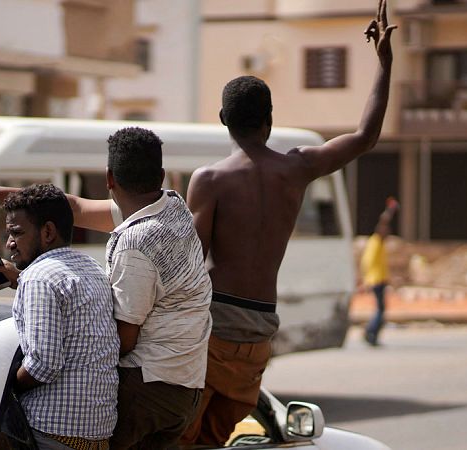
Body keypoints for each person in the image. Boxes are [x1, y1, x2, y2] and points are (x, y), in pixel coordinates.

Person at [180, 0, 397, 445]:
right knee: (213, 439)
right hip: (261, 329)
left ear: (224, 120)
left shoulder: (210, 179)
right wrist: (383, 62)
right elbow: (365, 136)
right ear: (270, 118)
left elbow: (187, 262)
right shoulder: (296, 169)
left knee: (181, 437)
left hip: (215, 326)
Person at [0, 127, 212, 449]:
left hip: (147, 385)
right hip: (187, 384)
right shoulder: (172, 208)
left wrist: (52, 298)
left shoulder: (136, 242)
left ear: (109, 179)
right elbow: (71, 207)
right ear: (162, 175)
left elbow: (121, 340)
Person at [0, 184, 119, 450]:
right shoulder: (92, 268)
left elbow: (43, 364)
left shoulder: (38, 278)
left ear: (48, 232)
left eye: (16, 233)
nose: (9, 243)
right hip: (98, 432)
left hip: (52, 431)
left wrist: (2, 390)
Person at [361, 197, 398, 346]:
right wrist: (390, 210)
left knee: (381, 308)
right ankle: (371, 332)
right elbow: (383, 223)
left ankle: (372, 332)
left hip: (379, 279)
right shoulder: (375, 242)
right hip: (376, 280)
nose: (388, 232)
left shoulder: (380, 244)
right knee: (380, 309)